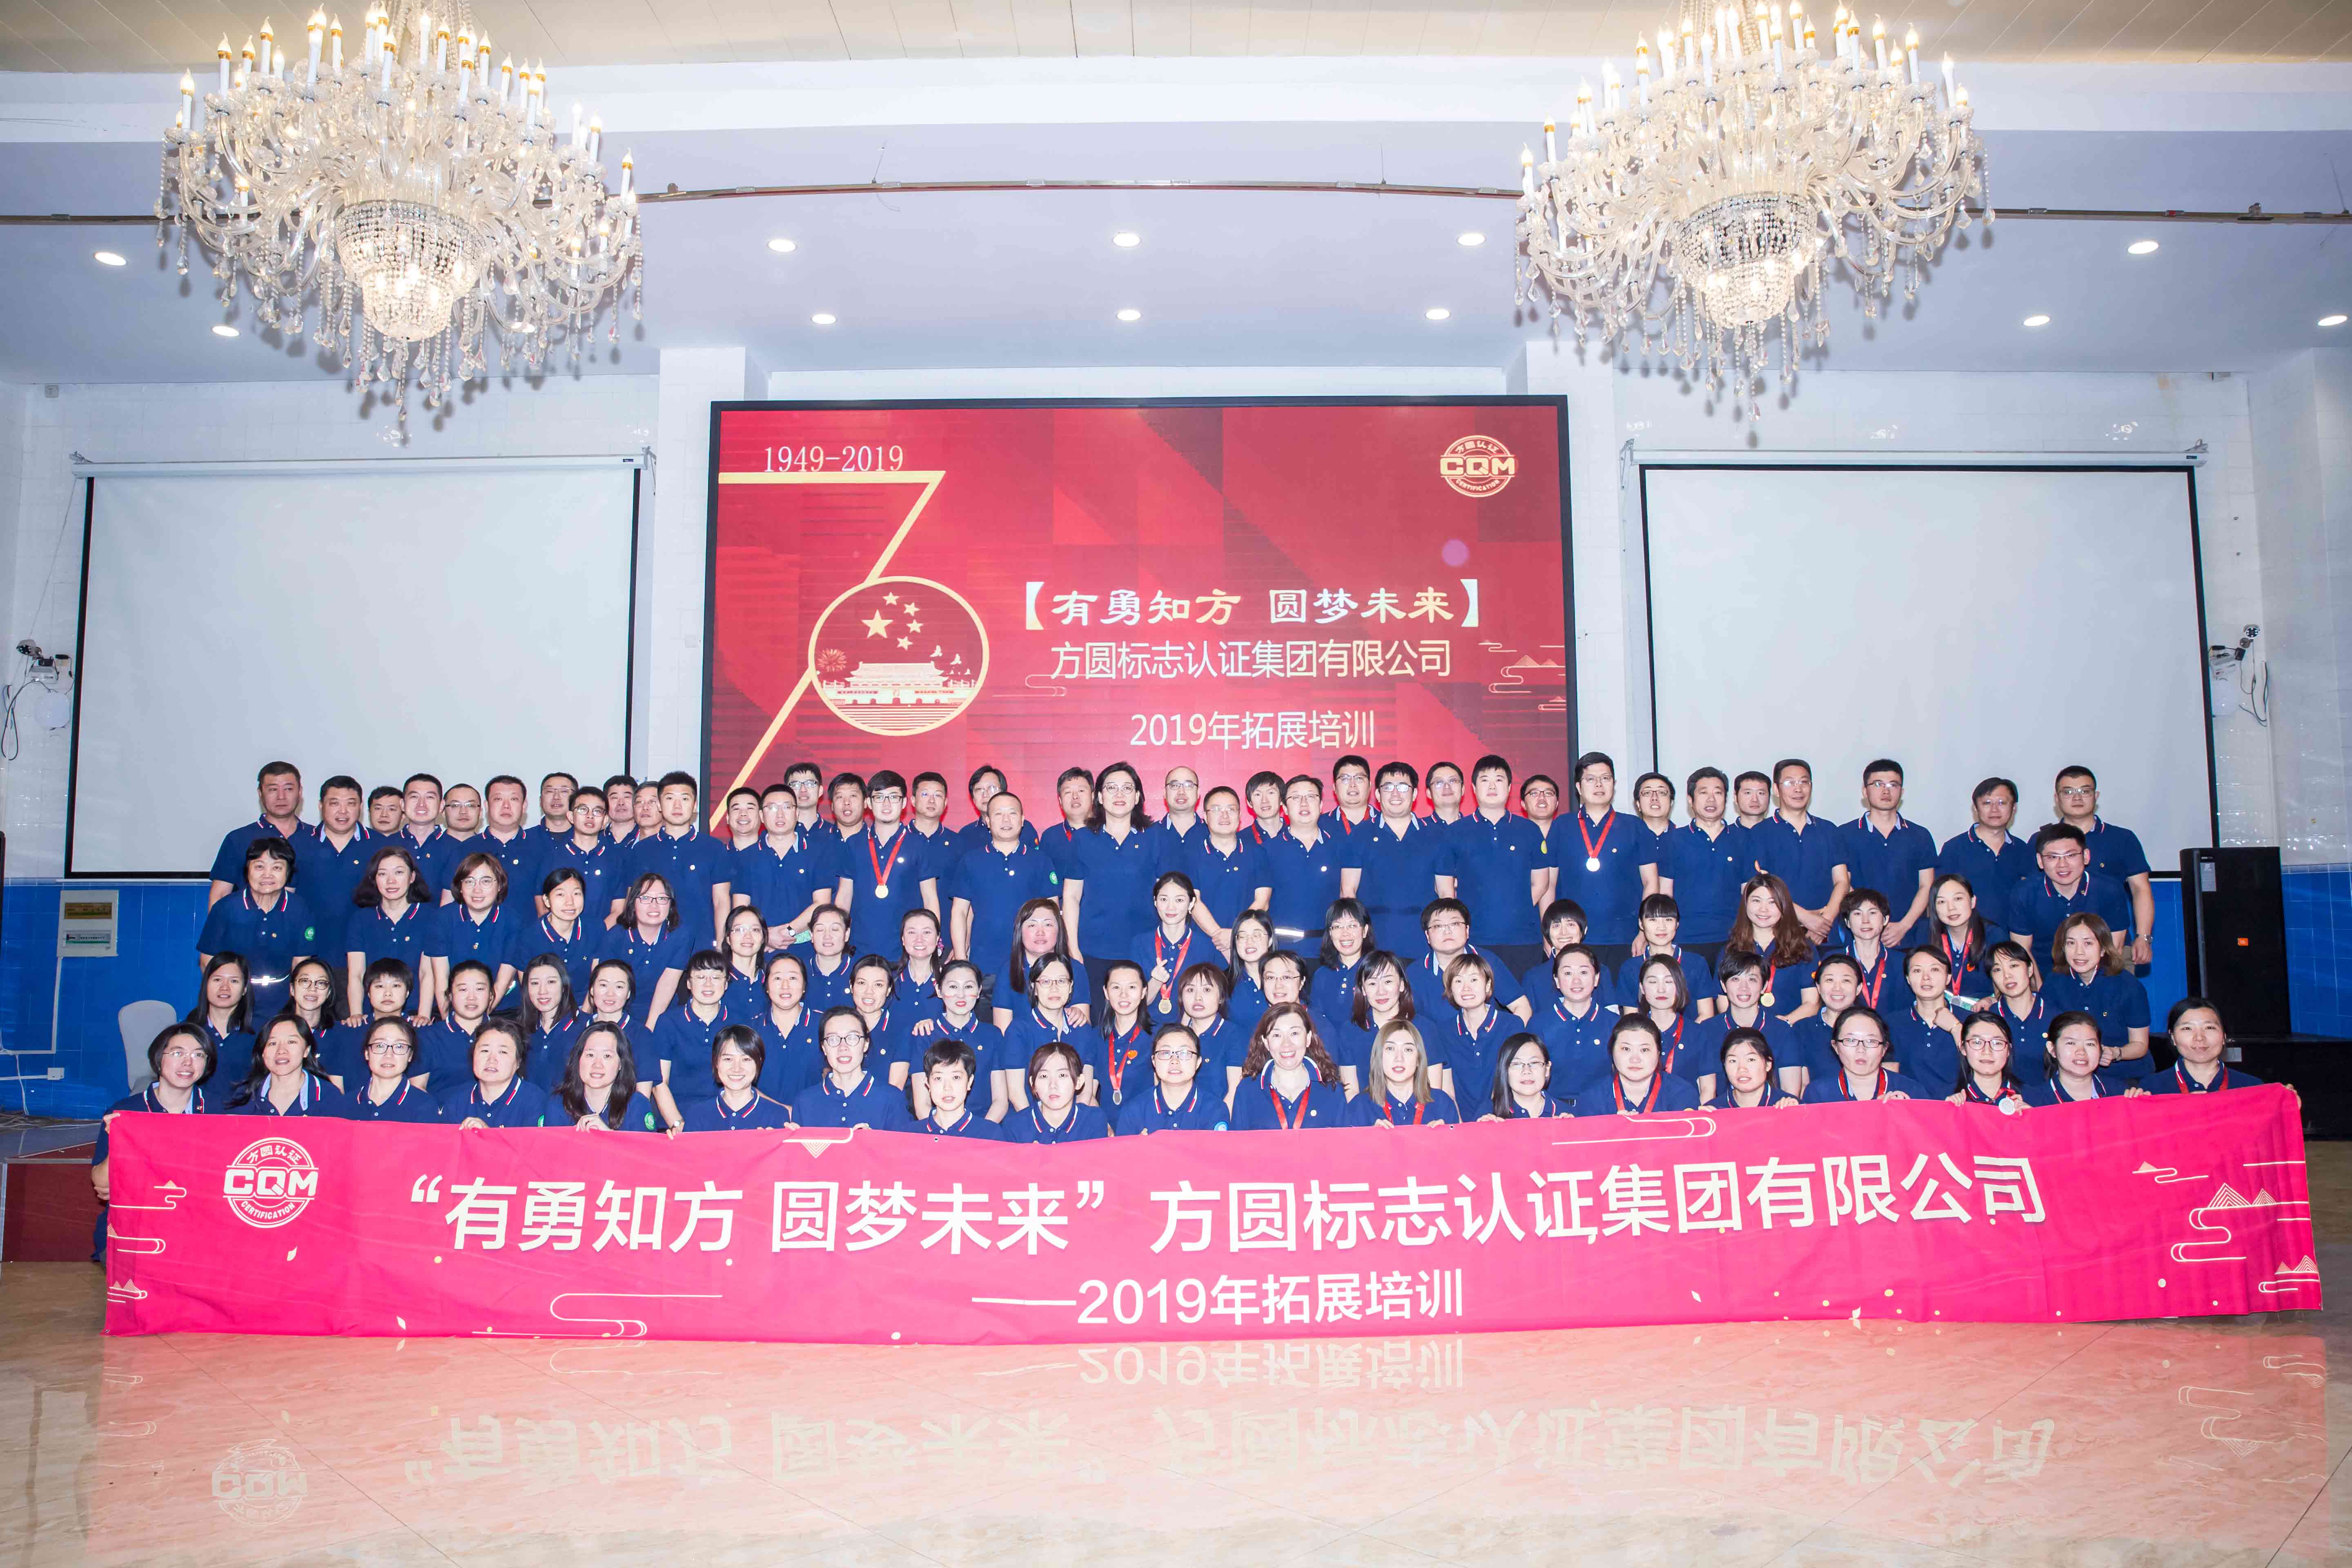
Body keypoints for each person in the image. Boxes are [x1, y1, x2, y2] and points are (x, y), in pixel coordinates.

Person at [92, 1025, 216, 1229]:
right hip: (137, 1225)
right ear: (159, 1059)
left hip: (199, 1225)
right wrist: (119, 1141)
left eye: (199, 1055)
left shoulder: (221, 1113)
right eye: (178, 1053)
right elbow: (102, 1185)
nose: (188, 1062)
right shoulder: (126, 1112)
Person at [1547, 752, 1655, 962]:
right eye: (1591, 779)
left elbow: (1651, 882)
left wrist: (1644, 932)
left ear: (1614, 784)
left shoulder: (1635, 826)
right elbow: (1549, 884)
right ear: (1579, 787)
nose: (1599, 785)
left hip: (1625, 937)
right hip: (1572, 937)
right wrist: (1549, 933)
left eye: (1605, 778)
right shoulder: (1562, 826)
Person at [1339, 762, 1452, 961]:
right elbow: (1348, 892)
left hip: (1423, 941)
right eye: (1388, 787)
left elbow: (1446, 894)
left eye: (1403, 787)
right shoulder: (1360, 835)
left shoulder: (1436, 835)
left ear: (1415, 794)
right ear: (1378, 794)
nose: (1395, 793)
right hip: (1374, 942)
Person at [1066, 762, 1159, 1000]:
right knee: (1098, 1016)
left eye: (1127, 788)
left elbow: (1166, 897)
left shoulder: (1154, 838)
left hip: (1143, 948)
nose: (1119, 795)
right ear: (1099, 797)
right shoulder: (1083, 839)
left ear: (1137, 797)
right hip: (1094, 950)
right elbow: (1072, 897)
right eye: (1111, 788)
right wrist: (1073, 948)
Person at [198, 836, 318, 1022]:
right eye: (260, 867)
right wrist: (227, 1000)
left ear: (288, 873)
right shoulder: (225, 908)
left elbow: (300, 966)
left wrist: (295, 1007)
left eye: (277, 868)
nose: (267, 875)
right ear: (248, 870)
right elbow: (208, 962)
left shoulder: (300, 909)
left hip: (283, 1001)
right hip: (235, 1001)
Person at [1448, 754, 1546, 974]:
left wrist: (1514, 908)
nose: (1492, 786)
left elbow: (1541, 883)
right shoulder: (1456, 832)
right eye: (1485, 780)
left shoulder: (1529, 830)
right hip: (1474, 938)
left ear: (1510, 787)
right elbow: (1446, 888)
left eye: (1499, 780)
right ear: (1474, 788)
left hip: (1523, 939)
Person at [952, 792, 1058, 990]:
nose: (1006, 820)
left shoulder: (1041, 861)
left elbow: (1053, 912)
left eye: (1012, 813)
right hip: (983, 965)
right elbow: (959, 912)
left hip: (1031, 966)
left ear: (1023, 820)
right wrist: (961, 958)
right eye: (999, 814)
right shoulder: (971, 861)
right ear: (988, 821)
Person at [2054, 765, 2156, 970]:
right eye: (2068, 792)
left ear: (2096, 796)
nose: (2077, 798)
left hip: (2113, 947)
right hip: (2057, 950)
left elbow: (2141, 889)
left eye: (2085, 791)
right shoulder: (2043, 841)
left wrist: (2144, 937)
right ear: (2057, 799)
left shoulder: (2123, 839)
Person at [831, 769, 939, 963]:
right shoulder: (854, 844)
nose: (887, 804)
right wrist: (838, 937)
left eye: (894, 797)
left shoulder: (920, 844)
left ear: (904, 803)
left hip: (907, 951)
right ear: (869, 803)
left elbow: (930, 898)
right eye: (880, 798)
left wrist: (934, 943)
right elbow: (844, 896)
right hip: (859, 949)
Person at [2039, 912, 2152, 1085]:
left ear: (2103, 949)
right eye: (2071, 943)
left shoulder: (2128, 986)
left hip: (2125, 1076)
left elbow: (2140, 1045)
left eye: (2088, 943)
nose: (2079, 952)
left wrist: (2116, 1053)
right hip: (2072, 1076)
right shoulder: (2054, 983)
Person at [622, 771, 733, 946]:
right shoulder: (641, 850)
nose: (677, 806)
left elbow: (721, 901)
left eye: (685, 799)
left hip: (701, 945)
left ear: (695, 806)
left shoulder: (714, 848)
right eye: (670, 799)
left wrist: (721, 945)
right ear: (660, 805)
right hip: (653, 947)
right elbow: (631, 902)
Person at [1654, 767, 1752, 959]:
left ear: (1726, 799)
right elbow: (1666, 893)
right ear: (1690, 800)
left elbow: (1748, 892)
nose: (1711, 799)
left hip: (1733, 940)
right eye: (1704, 793)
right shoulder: (1674, 839)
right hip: (1686, 940)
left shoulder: (1743, 839)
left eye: (1718, 793)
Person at [1839, 760, 1939, 945]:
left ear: (1902, 792)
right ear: (1865, 791)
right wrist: (1871, 924)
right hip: (1860, 936)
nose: (1886, 791)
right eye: (1878, 785)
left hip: (1911, 935)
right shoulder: (1844, 834)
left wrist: (1904, 926)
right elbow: (1844, 884)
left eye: (1893, 785)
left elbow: (1927, 886)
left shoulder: (1920, 836)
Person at [2005, 824, 2132, 969]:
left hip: (2098, 972)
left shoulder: (2110, 890)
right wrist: (2041, 985)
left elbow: (2114, 949)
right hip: (2043, 973)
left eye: (2071, 856)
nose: (2063, 865)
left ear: (2086, 856)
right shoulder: (2024, 893)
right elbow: (2023, 953)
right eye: (2053, 857)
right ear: (2040, 861)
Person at [1751, 759, 1846, 946]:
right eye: (1790, 783)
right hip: (1779, 933)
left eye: (1804, 782)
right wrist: (1805, 918)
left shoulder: (1829, 830)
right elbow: (1762, 885)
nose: (1798, 789)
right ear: (1777, 790)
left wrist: (1824, 922)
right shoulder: (1759, 833)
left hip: (1827, 933)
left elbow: (1842, 881)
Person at [294, 774, 375, 993]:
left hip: (364, 958)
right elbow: (287, 900)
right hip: (309, 956)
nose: (343, 811)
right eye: (334, 803)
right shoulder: (298, 844)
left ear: (361, 807)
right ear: (321, 806)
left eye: (351, 804)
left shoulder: (379, 846)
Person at [1687, 951, 1800, 1102]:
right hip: (1721, 1112)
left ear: (1764, 986)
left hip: (1773, 1111)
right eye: (1736, 979)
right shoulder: (1706, 1031)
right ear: (1724, 986)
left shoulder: (1782, 1030)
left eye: (1752, 980)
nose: (1744, 988)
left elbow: (1790, 1092)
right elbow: (1705, 1090)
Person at [1229, 1004, 1360, 1130]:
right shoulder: (1247, 1091)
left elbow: (1342, 1143)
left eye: (1295, 1034)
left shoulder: (1332, 1091)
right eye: (1277, 1035)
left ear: (1308, 1038)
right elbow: (1237, 1144)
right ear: (1266, 1043)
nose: (1287, 1044)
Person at [345, 845, 434, 1024]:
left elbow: (427, 972)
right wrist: (356, 1014)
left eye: (399, 873)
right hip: (373, 1013)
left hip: (415, 1012)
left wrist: (423, 1016)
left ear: (412, 877)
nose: (391, 881)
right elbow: (357, 973)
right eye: (383, 874)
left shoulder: (430, 917)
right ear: (374, 879)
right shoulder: (361, 919)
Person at [1179, 786, 1272, 955]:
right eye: (1216, 809)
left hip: (1246, 946)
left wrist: (1235, 934)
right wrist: (1221, 937)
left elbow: (1262, 902)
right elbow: (1194, 902)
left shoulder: (1258, 853)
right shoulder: (1190, 855)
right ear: (1205, 816)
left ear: (1240, 815)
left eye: (1231, 809)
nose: (1224, 815)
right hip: (1203, 946)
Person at [207, 761, 314, 908]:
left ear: (300, 792)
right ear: (260, 793)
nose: (281, 797)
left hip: (306, 922)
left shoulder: (317, 837)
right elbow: (220, 895)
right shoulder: (238, 839)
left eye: (289, 789)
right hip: (250, 922)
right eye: (273, 789)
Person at [732, 782, 828, 943]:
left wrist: (787, 932)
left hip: (806, 947)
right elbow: (740, 910)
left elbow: (822, 903)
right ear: (762, 816)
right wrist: (766, 937)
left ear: (797, 813)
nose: (780, 815)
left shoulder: (818, 853)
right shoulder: (745, 858)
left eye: (787, 807)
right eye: (772, 808)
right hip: (759, 948)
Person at [788, 1008, 912, 1130]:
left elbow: (901, 1143)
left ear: (866, 1044)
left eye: (852, 1038)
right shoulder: (805, 1102)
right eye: (833, 1039)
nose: (843, 1047)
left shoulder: (892, 1099)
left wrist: (875, 1140)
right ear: (824, 1048)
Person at [1265, 775, 1347, 959]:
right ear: (1284, 808)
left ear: (1321, 805)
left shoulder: (1340, 847)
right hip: (1282, 952)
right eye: (1295, 798)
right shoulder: (1268, 850)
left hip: (1329, 950)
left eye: (1311, 797)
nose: (1304, 803)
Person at [998, 953, 1088, 1118]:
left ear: (1071, 987)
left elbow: (1085, 1093)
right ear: (1034, 987)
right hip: (1028, 1121)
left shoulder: (1082, 1029)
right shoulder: (1018, 1031)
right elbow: (1017, 1095)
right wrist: (1039, 1127)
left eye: (1061, 981)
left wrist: (1074, 1125)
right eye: (1046, 982)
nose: (1054, 989)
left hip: (1073, 1124)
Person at [1411, 899, 1531, 1022]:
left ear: (1467, 931)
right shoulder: (1415, 973)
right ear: (1428, 936)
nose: (1447, 931)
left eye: (1455, 924)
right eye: (1438, 926)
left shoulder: (1487, 960)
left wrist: (1510, 1033)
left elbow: (1521, 1006)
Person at [597, 873, 689, 1027]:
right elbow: (607, 988)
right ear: (633, 903)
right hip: (621, 1013)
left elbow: (668, 984)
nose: (654, 906)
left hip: (664, 1014)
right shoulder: (615, 937)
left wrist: (648, 1030)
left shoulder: (681, 935)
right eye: (646, 898)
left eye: (662, 899)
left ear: (670, 904)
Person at [1724, 874, 1818, 1022]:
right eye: (1756, 901)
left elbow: (1812, 1004)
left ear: (1784, 906)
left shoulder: (1803, 948)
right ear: (1746, 904)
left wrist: (1783, 1025)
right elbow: (1724, 1005)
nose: (1764, 909)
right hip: (1743, 1032)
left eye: (1772, 902)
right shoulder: (1730, 949)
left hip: (1790, 1028)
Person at [429, 853, 513, 1011]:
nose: (477, 890)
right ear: (460, 887)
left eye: (486, 881)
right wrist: (450, 1022)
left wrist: (479, 1021)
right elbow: (441, 980)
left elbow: (502, 984)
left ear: (500, 885)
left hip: (500, 1010)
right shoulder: (442, 919)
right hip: (451, 1010)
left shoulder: (513, 922)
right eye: (469, 882)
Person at [993, 897, 1094, 1027]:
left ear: (1059, 930)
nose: (1040, 933)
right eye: (1032, 925)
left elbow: (1085, 1028)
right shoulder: (1008, 970)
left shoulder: (1075, 969)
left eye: (1048, 925)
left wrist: (1079, 1017)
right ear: (1020, 931)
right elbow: (1003, 1030)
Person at [1534, 944, 1615, 1103]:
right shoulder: (1539, 1024)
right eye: (1568, 973)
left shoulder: (1614, 1023)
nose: (1576, 980)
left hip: (1602, 1110)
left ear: (1597, 978)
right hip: (1554, 1111)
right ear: (1557, 980)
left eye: (1584, 972)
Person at [1937, 777, 2036, 907]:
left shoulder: (2022, 849)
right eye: (1987, 803)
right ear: (1976, 808)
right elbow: (1938, 896)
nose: (1994, 809)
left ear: (2014, 808)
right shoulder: (1954, 849)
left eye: (2002, 803)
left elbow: (2029, 897)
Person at [1113, 1024, 1229, 1134]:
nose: (1174, 1061)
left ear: (1198, 1062)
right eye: (1165, 1053)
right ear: (1154, 1061)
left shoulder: (1215, 1110)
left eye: (1184, 1053)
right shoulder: (1133, 1112)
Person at [1574, 1015, 1702, 1115]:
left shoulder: (1682, 1094)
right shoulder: (1592, 1099)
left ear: (1658, 1054)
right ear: (1612, 1052)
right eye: (1626, 1049)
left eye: (1644, 1050)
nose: (1635, 1059)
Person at [504, 867, 598, 1001]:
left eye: (577, 894)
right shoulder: (529, 936)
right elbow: (530, 989)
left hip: (585, 1007)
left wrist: (584, 1012)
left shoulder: (596, 929)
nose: (570, 902)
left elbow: (597, 982)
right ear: (547, 900)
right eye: (560, 894)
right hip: (544, 1007)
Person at [220, 1016, 345, 1117]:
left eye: (291, 1042)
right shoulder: (245, 1096)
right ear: (263, 1053)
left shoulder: (328, 1097)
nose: (281, 1050)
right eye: (273, 1043)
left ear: (306, 1051)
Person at [1618, 894, 1720, 1016]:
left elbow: (1706, 1015)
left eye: (1668, 920)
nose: (1662, 927)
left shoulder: (1696, 963)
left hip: (1691, 1029)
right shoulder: (1630, 968)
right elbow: (1631, 1019)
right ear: (1641, 924)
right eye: (1653, 920)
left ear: (1677, 924)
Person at [320, 958, 416, 1087]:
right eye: (380, 986)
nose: (388, 993)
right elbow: (336, 1083)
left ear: (407, 993)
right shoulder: (348, 1031)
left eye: (396, 986)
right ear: (369, 993)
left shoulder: (420, 1031)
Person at [1797, 1007, 1926, 1103]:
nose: (1861, 1050)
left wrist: (1905, 1113)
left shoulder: (1911, 1091)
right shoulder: (1818, 1094)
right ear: (1835, 1046)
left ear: (1884, 1049)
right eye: (1851, 1040)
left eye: (1871, 1041)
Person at [744, 951, 825, 1104]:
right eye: (778, 978)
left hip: (812, 1114)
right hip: (763, 1116)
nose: (785, 986)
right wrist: (782, 1111)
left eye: (793, 978)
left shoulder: (824, 1025)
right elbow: (743, 1083)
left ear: (804, 985)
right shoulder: (751, 1029)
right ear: (767, 986)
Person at [1333, 950, 1415, 1096]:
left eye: (1388, 982)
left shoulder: (1424, 1028)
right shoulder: (1350, 1031)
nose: (1381, 992)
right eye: (1372, 983)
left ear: (1402, 985)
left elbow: (1434, 1091)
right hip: (1366, 1110)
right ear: (1363, 990)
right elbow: (1351, 1092)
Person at [677, 1026, 792, 1130]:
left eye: (746, 1059)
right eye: (728, 1059)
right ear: (716, 1063)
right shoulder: (697, 1115)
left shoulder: (778, 1116)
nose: (737, 1069)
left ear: (759, 1063)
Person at [552, 1021, 660, 1131]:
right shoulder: (560, 1103)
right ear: (578, 1059)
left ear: (621, 1064)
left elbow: (644, 1143)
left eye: (607, 1056)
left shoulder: (636, 1105)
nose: (597, 1065)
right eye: (591, 1055)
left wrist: (607, 1135)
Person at [2142, 998, 2265, 1093]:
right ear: (2173, 1038)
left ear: (2224, 1036)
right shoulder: (2152, 1088)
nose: (2200, 1037)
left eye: (2209, 1028)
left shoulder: (2252, 1088)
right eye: (2187, 1028)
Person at [443, 1018, 551, 1127]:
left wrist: (488, 1134)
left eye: (503, 1052)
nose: (492, 1060)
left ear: (519, 1062)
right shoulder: (456, 1102)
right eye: (485, 1051)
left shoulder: (535, 1101)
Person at [1884, 946, 1966, 1089]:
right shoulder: (1892, 1023)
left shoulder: (1970, 1020)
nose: (1926, 977)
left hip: (1961, 1101)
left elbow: (1981, 1068)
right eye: (1917, 971)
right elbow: (1890, 1077)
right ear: (1908, 979)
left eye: (1935, 970)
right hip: (1910, 1101)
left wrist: (1956, 1028)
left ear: (1948, 978)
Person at [1133, 873, 1207, 1028]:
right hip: (1146, 1029)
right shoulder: (1139, 943)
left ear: (1192, 903)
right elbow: (1134, 1003)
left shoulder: (1205, 946)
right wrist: (1156, 981)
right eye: (1164, 899)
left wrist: (1184, 1032)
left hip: (1190, 1029)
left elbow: (1211, 1000)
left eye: (1179, 900)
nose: (1171, 907)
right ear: (1155, 902)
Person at [1005, 1041, 1113, 1142]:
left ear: (1079, 1082)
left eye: (1062, 1075)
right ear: (1033, 1083)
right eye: (1044, 1076)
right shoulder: (1015, 1126)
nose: (1053, 1086)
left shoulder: (1094, 1121)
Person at [338, 1017, 442, 1123]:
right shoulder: (345, 1104)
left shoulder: (425, 1106)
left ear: (410, 1055)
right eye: (380, 1046)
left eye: (399, 1046)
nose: (389, 1055)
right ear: (367, 1054)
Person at [474, 775, 548, 921]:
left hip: (528, 933)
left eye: (514, 799)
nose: (506, 806)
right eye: (498, 799)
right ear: (487, 806)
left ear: (524, 806)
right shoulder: (466, 849)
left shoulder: (544, 849)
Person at [1921, 873, 2001, 1005]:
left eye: (1958, 899)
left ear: (1973, 902)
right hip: (1939, 1007)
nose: (1951, 908)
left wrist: (1993, 999)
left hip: (1982, 1009)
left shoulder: (1994, 935)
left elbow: (2006, 981)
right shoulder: (1925, 933)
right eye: (1942, 902)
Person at [1787, 953, 1860, 1097]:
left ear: (1859, 988)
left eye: (1846, 981)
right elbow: (1803, 1086)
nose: (1837, 989)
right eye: (1830, 980)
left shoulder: (1873, 1027)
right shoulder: (1802, 1029)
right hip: (1818, 1106)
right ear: (1819, 987)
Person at [414, 960, 495, 1089]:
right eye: (463, 989)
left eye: (480, 989)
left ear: (491, 995)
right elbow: (418, 1089)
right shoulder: (427, 1037)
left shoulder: (505, 1035)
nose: (471, 997)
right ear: (450, 995)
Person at [1362, 1020, 1462, 1125]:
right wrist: (1369, 1135)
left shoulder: (1442, 1104)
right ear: (1379, 1057)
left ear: (1419, 1059)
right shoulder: (1360, 1107)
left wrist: (1445, 1135)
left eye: (1408, 1050)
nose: (1399, 1058)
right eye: (1390, 1049)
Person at [186, 952, 258, 1089]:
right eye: (218, 980)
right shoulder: (187, 1032)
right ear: (206, 984)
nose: (225, 987)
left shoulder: (261, 1032)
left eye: (234, 981)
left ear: (245, 989)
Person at [1090, 959, 1154, 1110]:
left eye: (1132, 987)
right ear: (1106, 992)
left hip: (1145, 1122)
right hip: (1104, 1123)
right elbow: (1088, 1094)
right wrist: (1101, 1122)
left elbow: (1162, 1093)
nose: (1123, 995)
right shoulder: (1095, 1036)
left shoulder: (1159, 1037)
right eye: (1116, 987)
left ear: (1143, 992)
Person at [513, 957, 584, 1093]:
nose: (542, 991)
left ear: (564, 986)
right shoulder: (519, 1030)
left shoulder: (586, 1026)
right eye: (535, 983)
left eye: (551, 982)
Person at [1628, 954, 1699, 1086]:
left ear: (1679, 986)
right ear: (1642, 988)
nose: (1661, 990)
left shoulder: (1698, 1033)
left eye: (1669, 982)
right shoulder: (1630, 1034)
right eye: (1653, 982)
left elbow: (1707, 1089)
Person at [909, 1038, 1000, 1138]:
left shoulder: (991, 1134)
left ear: (969, 1082)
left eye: (956, 1078)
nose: (947, 1088)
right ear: (928, 1084)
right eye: (939, 1078)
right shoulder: (910, 1134)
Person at [1831, 888, 1900, 1015]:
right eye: (1858, 914)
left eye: (1872, 913)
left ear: (1885, 920)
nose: (1865, 920)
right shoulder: (1833, 961)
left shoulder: (1902, 962)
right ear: (1847, 923)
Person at [2022, 1012, 2116, 1105]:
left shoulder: (2119, 1092)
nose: (2081, 1052)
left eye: (2090, 1044)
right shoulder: (2033, 1102)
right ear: (2052, 1049)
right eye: (2071, 1043)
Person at [1949, 1011, 2030, 1111]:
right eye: (1977, 1042)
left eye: (1997, 1043)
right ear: (1963, 1048)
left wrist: (2032, 1117)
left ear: (2009, 1050)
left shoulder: (2035, 1099)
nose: (1987, 1052)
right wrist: (1945, 1113)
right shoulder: (1945, 1098)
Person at [1980, 940, 2055, 1045]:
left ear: (2030, 969)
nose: (2007, 975)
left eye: (2013, 966)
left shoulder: (2054, 1015)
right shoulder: (1988, 1020)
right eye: (1997, 970)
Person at [1704, 1027, 1800, 1109]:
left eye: (1751, 1060)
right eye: (1733, 1061)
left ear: (1768, 1065)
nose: (1742, 1069)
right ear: (1724, 1066)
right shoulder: (1714, 1111)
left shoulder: (1791, 1106)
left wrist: (1794, 1114)